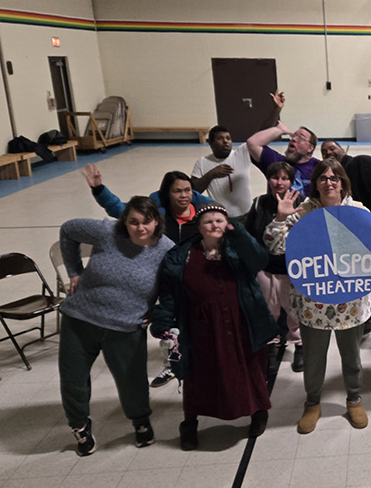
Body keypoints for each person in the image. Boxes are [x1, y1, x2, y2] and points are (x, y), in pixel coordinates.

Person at [264, 158, 371, 433]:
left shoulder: (358, 212)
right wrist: (280, 217)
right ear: (316, 183)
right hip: (313, 302)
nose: (329, 182)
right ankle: (312, 403)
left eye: (335, 177)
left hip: (350, 301)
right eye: (323, 177)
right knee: (313, 358)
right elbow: (275, 247)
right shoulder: (302, 212)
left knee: (351, 356)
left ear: (343, 182)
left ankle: (354, 399)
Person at [151, 203, 277, 450]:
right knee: (199, 376)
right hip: (200, 327)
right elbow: (169, 295)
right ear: (199, 227)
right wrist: (163, 323)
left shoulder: (237, 246)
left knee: (249, 369)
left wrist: (239, 233)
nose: (214, 225)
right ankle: (189, 423)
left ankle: (258, 412)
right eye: (208, 222)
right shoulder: (180, 256)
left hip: (241, 321)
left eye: (219, 220)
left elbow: (259, 260)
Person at [58, 196, 174, 455]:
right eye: (133, 222)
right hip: (79, 319)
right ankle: (79, 426)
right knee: (73, 379)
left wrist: (160, 308)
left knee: (131, 381)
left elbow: (177, 283)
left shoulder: (167, 249)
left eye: (146, 221)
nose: (140, 227)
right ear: (125, 221)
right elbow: (68, 230)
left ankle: (141, 422)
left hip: (125, 327)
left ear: (157, 222)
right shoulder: (107, 231)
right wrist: (74, 271)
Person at [320, 139, 371, 336]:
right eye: (324, 150)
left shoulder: (361, 163)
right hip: (352, 237)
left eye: (332, 148)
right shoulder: (333, 180)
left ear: (342, 149)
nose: (328, 152)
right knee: (360, 275)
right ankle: (367, 317)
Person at [245, 161, 304, 370]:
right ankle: (271, 346)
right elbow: (250, 234)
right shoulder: (259, 203)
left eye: (285, 178)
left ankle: (299, 346)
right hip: (265, 268)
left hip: (291, 269)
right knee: (269, 311)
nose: (280, 182)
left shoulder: (301, 202)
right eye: (275, 177)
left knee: (295, 311)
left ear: (292, 180)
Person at [85, 165, 215, 244]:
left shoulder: (205, 215)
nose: (184, 196)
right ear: (167, 193)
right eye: (177, 191)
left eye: (187, 190)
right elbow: (119, 209)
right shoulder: (157, 212)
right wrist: (99, 189)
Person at [246, 89, 319, 196]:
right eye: (293, 136)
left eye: (300, 138)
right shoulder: (276, 161)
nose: (293, 139)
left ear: (310, 148)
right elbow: (253, 141)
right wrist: (279, 128)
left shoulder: (318, 167)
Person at [190, 125, 255, 220]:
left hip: (248, 215)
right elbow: (194, 191)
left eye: (228, 138)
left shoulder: (241, 154)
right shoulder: (202, 162)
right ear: (211, 143)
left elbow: (261, 133)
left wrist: (276, 109)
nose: (225, 141)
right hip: (222, 218)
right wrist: (211, 174)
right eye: (220, 138)